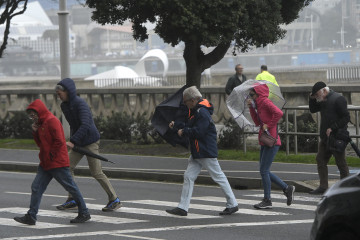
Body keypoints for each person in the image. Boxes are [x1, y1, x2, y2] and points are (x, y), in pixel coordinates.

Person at [14, 99, 90, 225]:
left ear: (40, 112)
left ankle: (84, 212)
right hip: (46, 162)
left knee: (70, 187)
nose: (32, 118)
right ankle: (31, 216)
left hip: (57, 162)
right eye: (30, 116)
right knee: (36, 187)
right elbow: (40, 144)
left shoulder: (52, 121)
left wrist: (51, 155)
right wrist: (35, 132)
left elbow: (59, 141)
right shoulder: (41, 123)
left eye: (34, 115)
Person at [165, 86, 239, 216]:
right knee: (190, 176)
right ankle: (183, 207)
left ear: (192, 100)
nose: (185, 104)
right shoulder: (199, 111)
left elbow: (199, 131)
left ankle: (232, 203)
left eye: (186, 101)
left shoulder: (201, 112)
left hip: (204, 150)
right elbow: (192, 127)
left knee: (218, 176)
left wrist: (184, 131)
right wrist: (177, 126)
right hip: (200, 151)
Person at [55, 78, 121, 212]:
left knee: (96, 172)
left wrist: (72, 141)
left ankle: (114, 199)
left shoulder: (80, 104)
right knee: (67, 167)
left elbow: (85, 125)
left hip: (90, 142)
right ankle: (72, 198)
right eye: (57, 93)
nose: (58, 95)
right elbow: (74, 125)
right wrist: (74, 141)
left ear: (68, 91)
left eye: (60, 92)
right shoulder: (64, 106)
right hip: (79, 142)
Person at [247, 85, 295, 209]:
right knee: (264, 171)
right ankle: (286, 188)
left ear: (259, 94)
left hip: (271, 141)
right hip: (264, 140)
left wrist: (268, 125)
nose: (250, 97)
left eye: (252, 95)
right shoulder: (259, 104)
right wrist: (251, 107)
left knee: (264, 171)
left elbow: (279, 113)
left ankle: (268, 200)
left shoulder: (265, 102)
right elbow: (257, 122)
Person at [308, 81, 350, 194]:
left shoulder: (338, 99)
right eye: (316, 96)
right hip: (325, 137)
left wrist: (333, 127)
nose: (317, 97)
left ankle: (345, 187)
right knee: (320, 159)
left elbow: (346, 117)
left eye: (317, 95)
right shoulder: (323, 100)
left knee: (341, 163)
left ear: (324, 91)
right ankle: (323, 186)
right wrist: (311, 98)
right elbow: (313, 109)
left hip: (337, 137)